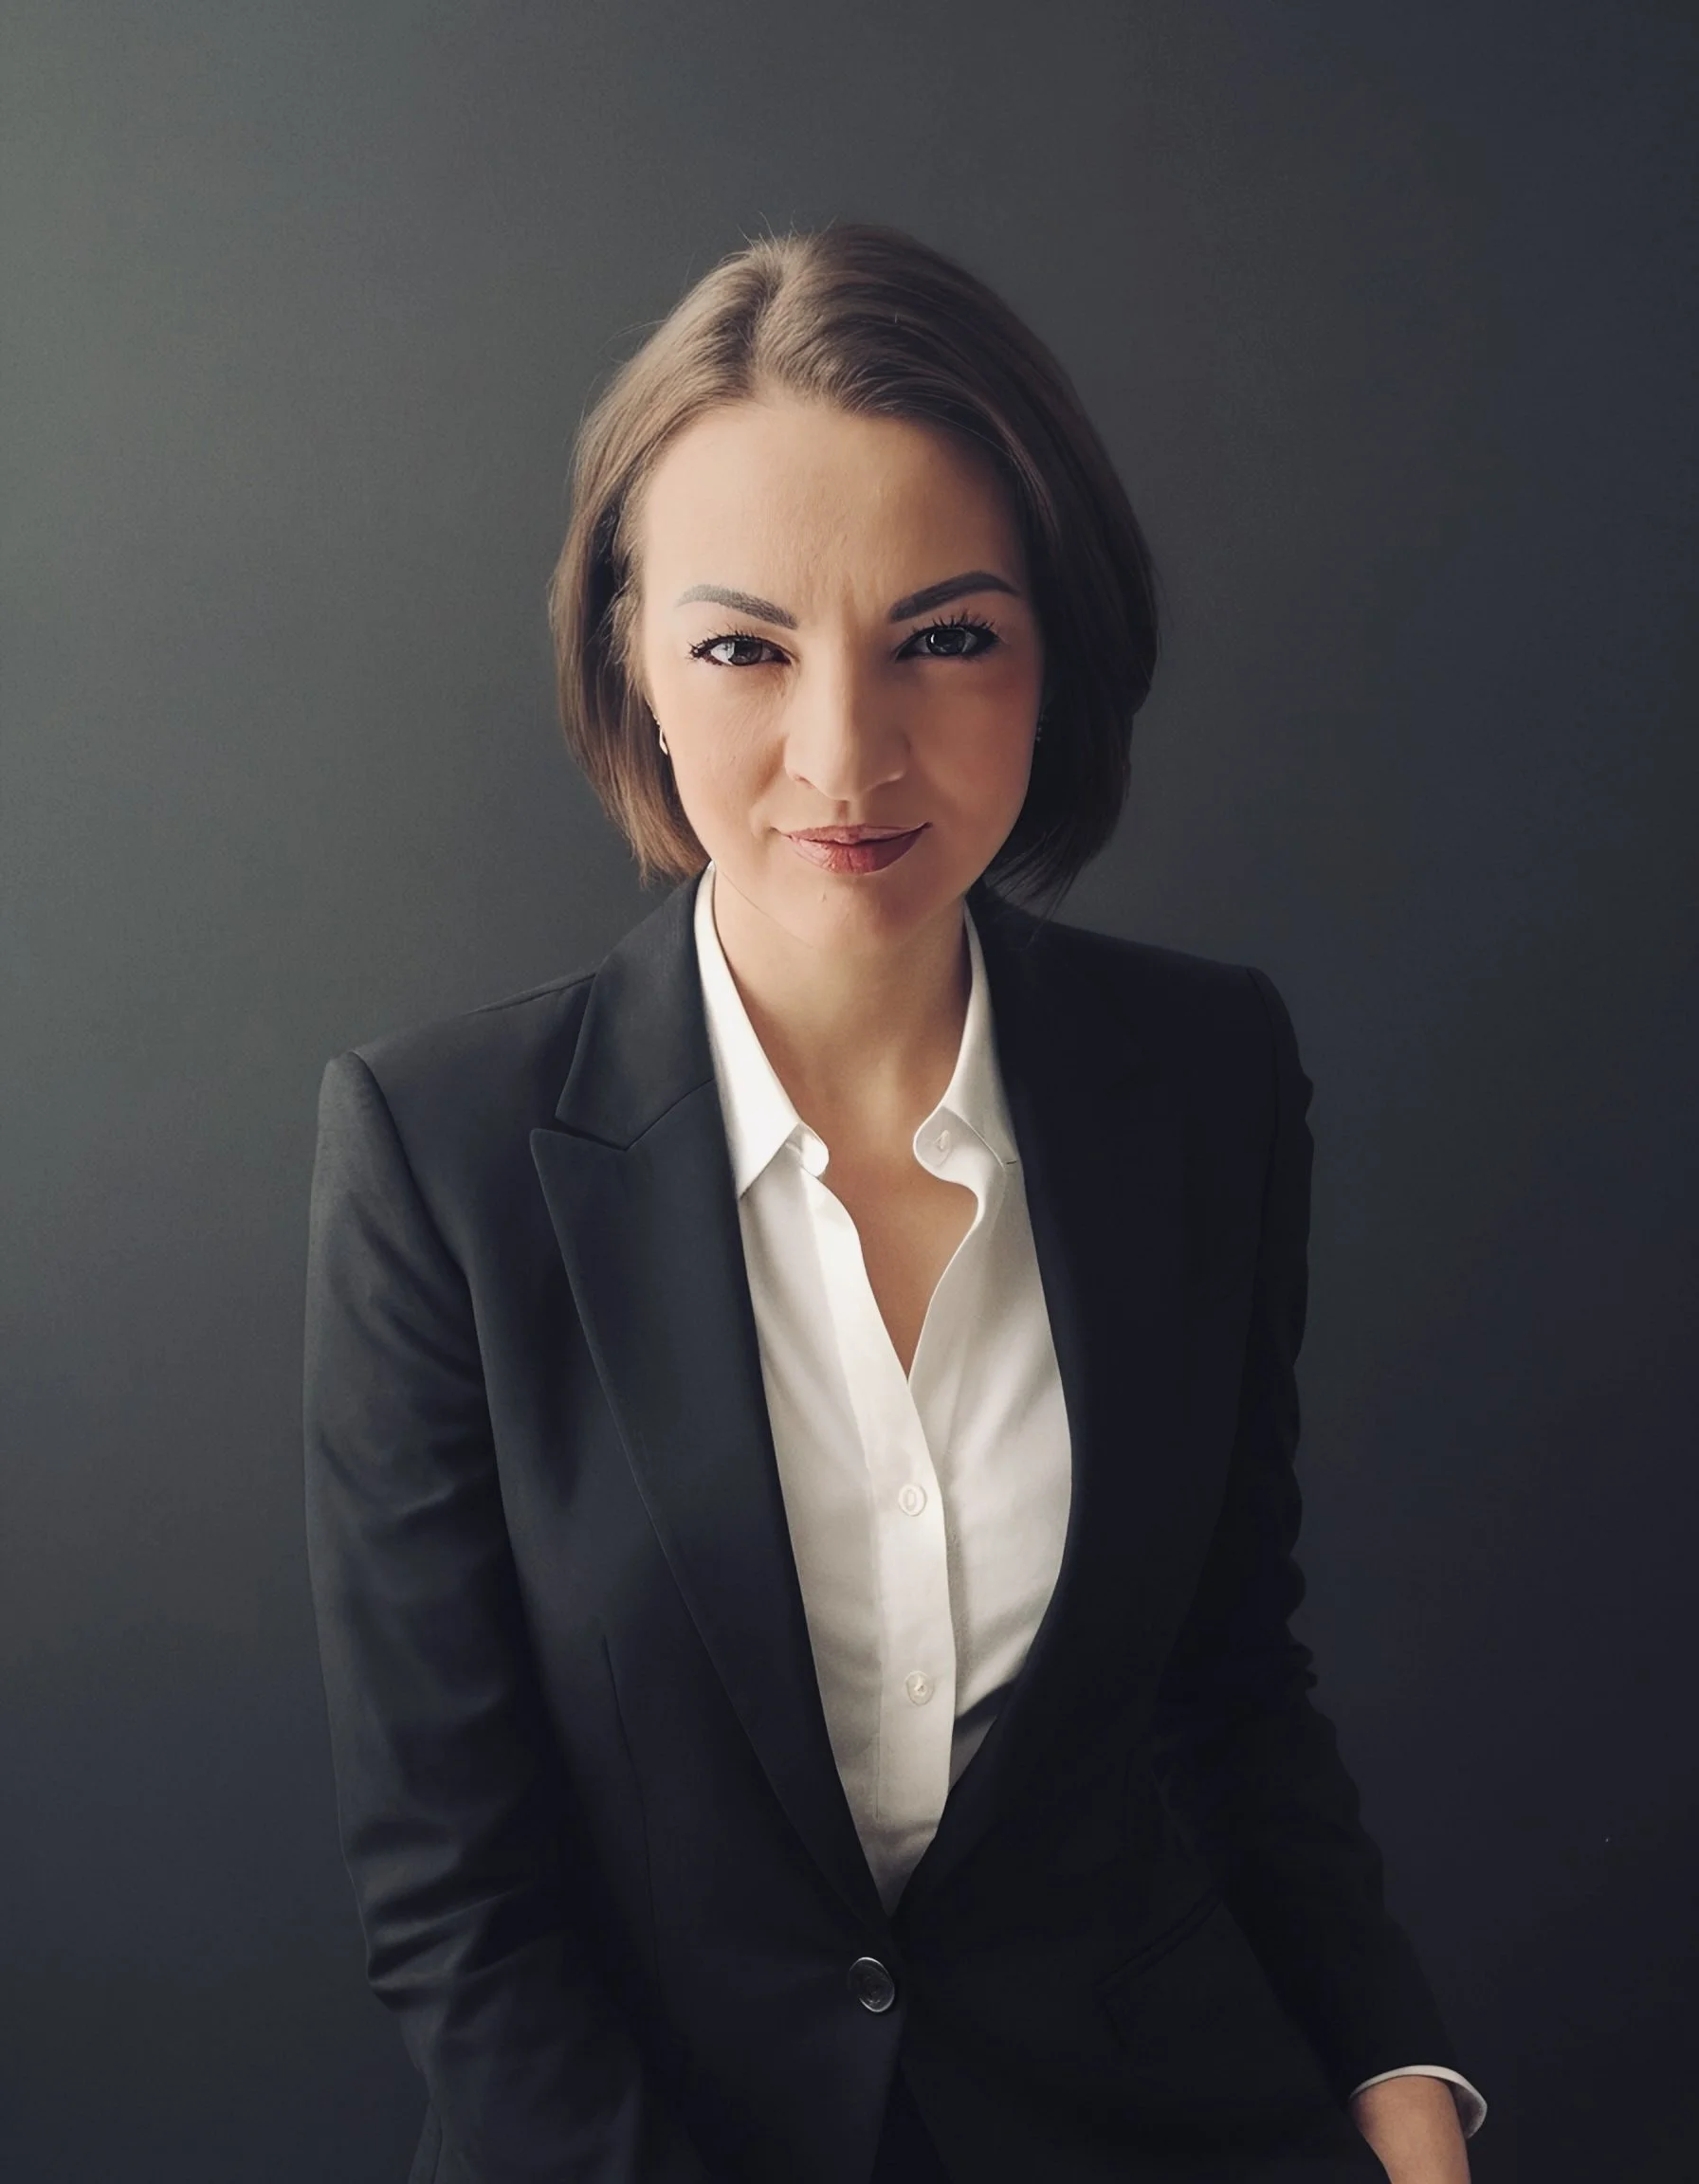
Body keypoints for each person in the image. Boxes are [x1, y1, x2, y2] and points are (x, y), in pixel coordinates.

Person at [302, 222, 1487, 2184]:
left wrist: (1397, 2082)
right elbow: (458, 1912)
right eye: (742, 646)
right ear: (630, 663)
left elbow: (1223, 1678)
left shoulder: (1201, 1081)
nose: (843, 756)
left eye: (941, 636)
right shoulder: (435, 1155)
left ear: (1055, 653)